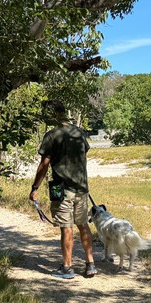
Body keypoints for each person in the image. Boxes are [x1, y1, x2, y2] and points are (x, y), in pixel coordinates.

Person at [29, 100, 97, 279]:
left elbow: (44, 164)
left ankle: (67, 268)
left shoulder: (52, 135)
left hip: (60, 187)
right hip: (82, 187)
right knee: (82, 225)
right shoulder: (79, 133)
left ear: (51, 114)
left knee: (66, 227)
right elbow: (83, 156)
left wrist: (34, 187)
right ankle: (91, 264)